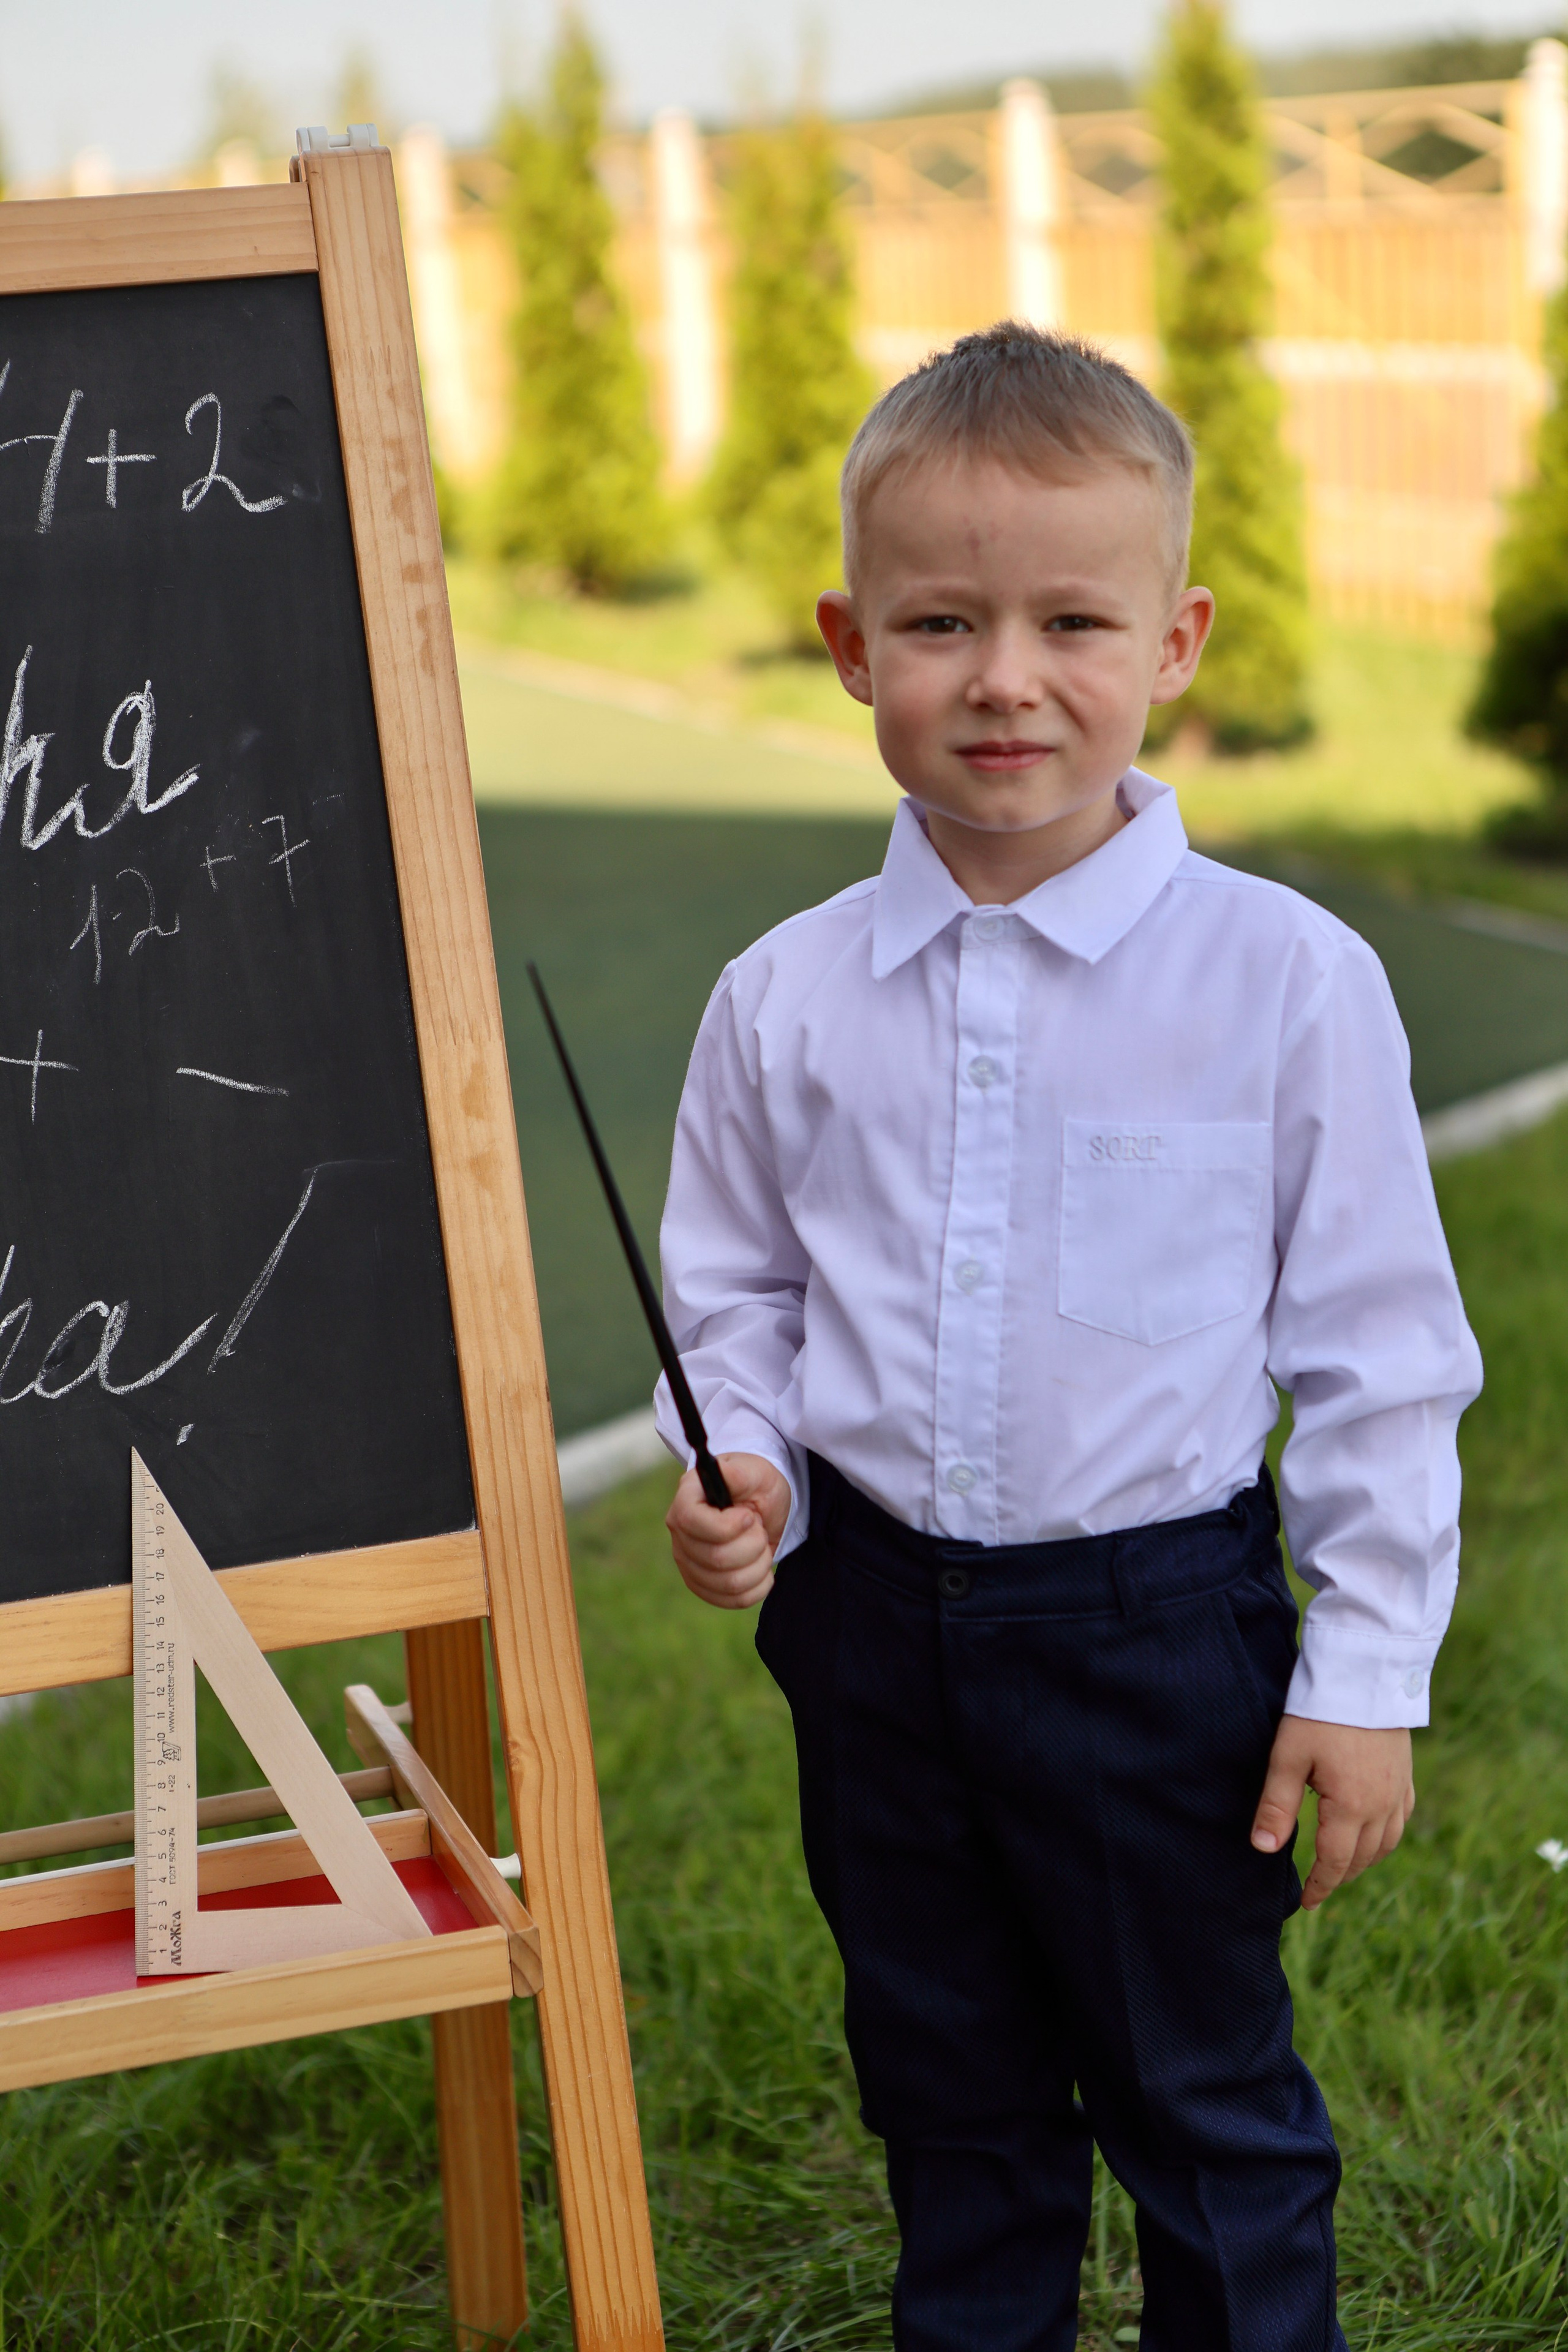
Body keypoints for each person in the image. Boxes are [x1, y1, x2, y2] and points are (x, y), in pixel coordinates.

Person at [655, 323, 1481, 2351]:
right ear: (853, 646)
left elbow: (1382, 1353)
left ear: (1178, 639)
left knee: (1205, 2106)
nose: (1005, 677)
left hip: (1156, 1639)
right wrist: (745, 1453)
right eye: (941, 621)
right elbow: (738, 1290)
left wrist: (1365, 1668)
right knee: (952, 2097)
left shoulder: (1287, 983)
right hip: (871, 1634)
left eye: (1072, 620)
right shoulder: (782, 998)